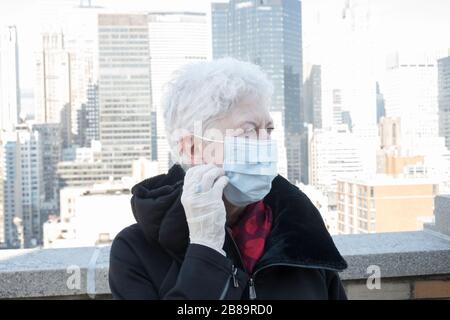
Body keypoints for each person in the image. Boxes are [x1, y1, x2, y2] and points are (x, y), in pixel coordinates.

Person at [108, 58, 348, 299]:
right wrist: (205, 251)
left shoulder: (301, 232)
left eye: (269, 130)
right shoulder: (135, 251)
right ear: (192, 148)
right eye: (248, 131)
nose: (265, 144)